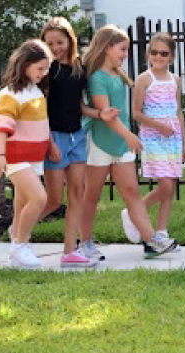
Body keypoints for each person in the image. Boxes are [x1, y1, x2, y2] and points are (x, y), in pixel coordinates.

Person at [79, 25, 178, 259]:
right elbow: (107, 114)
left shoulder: (117, 74)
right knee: (91, 195)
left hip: (121, 145)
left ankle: (151, 240)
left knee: (132, 192)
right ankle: (85, 242)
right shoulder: (97, 78)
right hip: (101, 143)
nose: (126, 54)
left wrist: (125, 138)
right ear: (107, 47)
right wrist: (129, 135)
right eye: (122, 49)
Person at [38, 17, 119, 267]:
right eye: (49, 43)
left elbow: (81, 106)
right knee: (53, 200)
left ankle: (69, 252)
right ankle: (18, 230)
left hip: (77, 138)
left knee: (76, 194)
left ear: (70, 41)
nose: (54, 47)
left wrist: (100, 114)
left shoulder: (77, 68)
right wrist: (50, 142)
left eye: (59, 42)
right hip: (55, 138)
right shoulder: (45, 71)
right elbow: (40, 110)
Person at [0, 40, 53, 269]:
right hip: (16, 157)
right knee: (39, 199)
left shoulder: (35, 91)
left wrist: (51, 146)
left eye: (46, 69)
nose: (44, 73)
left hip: (34, 158)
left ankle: (16, 246)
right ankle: (20, 244)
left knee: (22, 203)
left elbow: (40, 124)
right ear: (25, 64)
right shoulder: (10, 94)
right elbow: (1, 125)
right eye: (40, 68)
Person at [130, 32, 185, 249]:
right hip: (153, 138)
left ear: (171, 56)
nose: (158, 57)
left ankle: (162, 231)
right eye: (154, 52)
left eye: (163, 53)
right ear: (148, 54)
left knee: (170, 187)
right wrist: (158, 126)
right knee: (164, 185)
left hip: (172, 140)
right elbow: (136, 113)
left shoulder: (175, 80)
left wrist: (183, 141)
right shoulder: (144, 79)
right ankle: (135, 212)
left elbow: (178, 112)